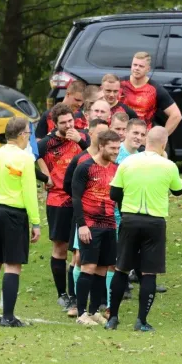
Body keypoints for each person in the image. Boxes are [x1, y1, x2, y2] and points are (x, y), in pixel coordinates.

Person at [106, 126, 182, 331]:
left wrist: (126, 208)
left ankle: (112, 318)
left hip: (130, 219)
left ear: (145, 141)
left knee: (121, 268)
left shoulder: (127, 162)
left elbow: (114, 193)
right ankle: (141, 320)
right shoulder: (168, 165)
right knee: (149, 273)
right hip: (154, 222)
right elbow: (178, 190)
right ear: (164, 144)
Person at [0, 117, 41, 327]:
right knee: (12, 265)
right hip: (12, 213)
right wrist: (35, 222)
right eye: (28, 134)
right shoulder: (24, 158)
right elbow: (29, 192)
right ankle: (8, 316)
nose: (29, 138)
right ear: (22, 135)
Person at [37, 104, 89, 310]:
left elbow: (97, 152)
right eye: (64, 123)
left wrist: (80, 140)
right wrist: (44, 173)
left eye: (71, 121)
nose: (68, 125)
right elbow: (29, 155)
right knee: (60, 247)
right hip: (58, 200)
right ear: (55, 123)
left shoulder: (81, 137)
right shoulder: (47, 143)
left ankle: (77, 294)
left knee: (78, 249)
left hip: (81, 200)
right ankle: (62, 294)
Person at [71, 130, 120, 325]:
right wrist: (81, 225)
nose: (116, 151)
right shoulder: (85, 167)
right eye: (112, 148)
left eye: (118, 148)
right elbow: (75, 198)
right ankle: (81, 313)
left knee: (102, 269)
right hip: (90, 225)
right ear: (101, 146)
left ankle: (93, 311)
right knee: (88, 267)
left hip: (110, 224)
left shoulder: (117, 169)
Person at [63, 119, 110, 317]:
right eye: (99, 134)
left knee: (102, 265)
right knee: (80, 258)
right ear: (90, 134)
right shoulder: (82, 161)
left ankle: (96, 308)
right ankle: (76, 304)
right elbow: (69, 187)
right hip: (84, 219)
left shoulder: (113, 165)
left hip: (108, 222)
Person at [120, 51, 182, 133]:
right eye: (135, 65)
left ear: (148, 69)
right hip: (119, 136)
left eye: (141, 66)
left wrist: (161, 137)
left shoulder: (155, 89)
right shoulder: (120, 84)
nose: (137, 68)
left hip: (141, 138)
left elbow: (176, 115)